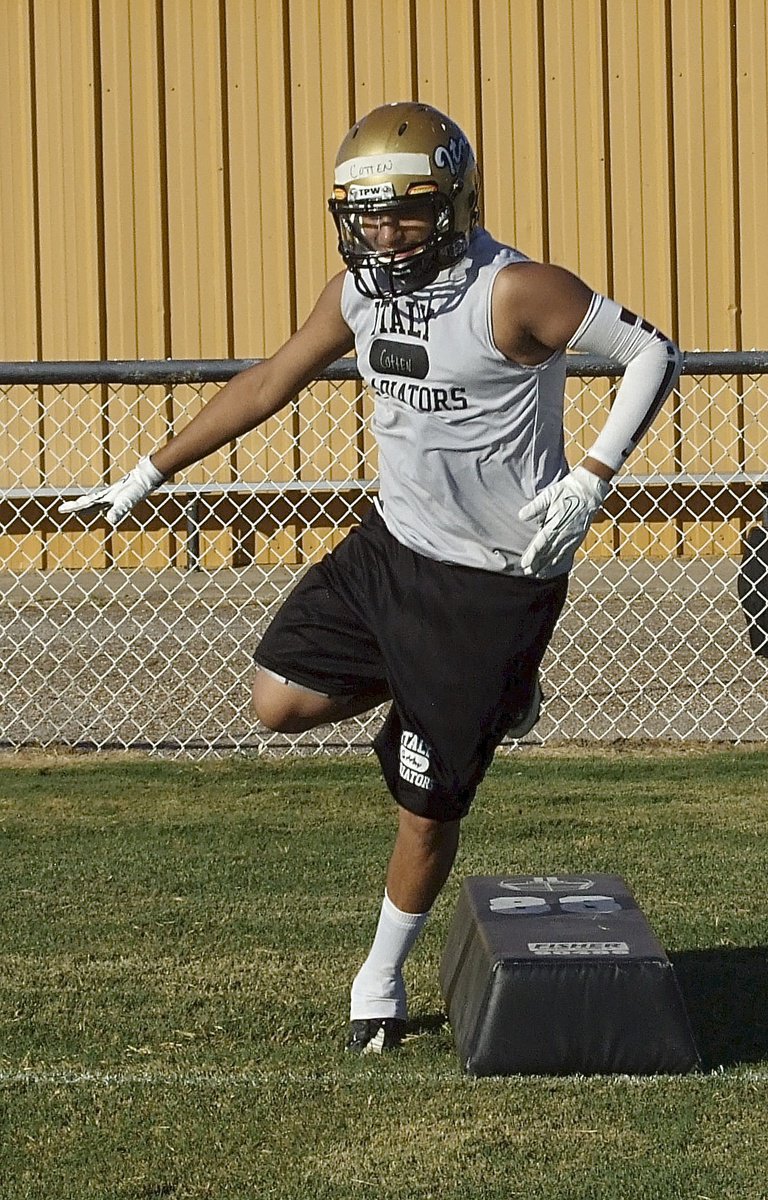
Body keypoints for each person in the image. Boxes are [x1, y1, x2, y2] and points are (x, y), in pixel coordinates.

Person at [60, 102, 682, 1055]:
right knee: (277, 703)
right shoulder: (359, 291)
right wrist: (150, 470)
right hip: (387, 548)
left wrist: (593, 473)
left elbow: (651, 352)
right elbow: (272, 379)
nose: (381, 232)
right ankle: (484, 694)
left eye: (403, 211)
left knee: (425, 812)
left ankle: (378, 978)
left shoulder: (513, 290)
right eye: (365, 213)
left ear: (456, 202)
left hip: (488, 584)